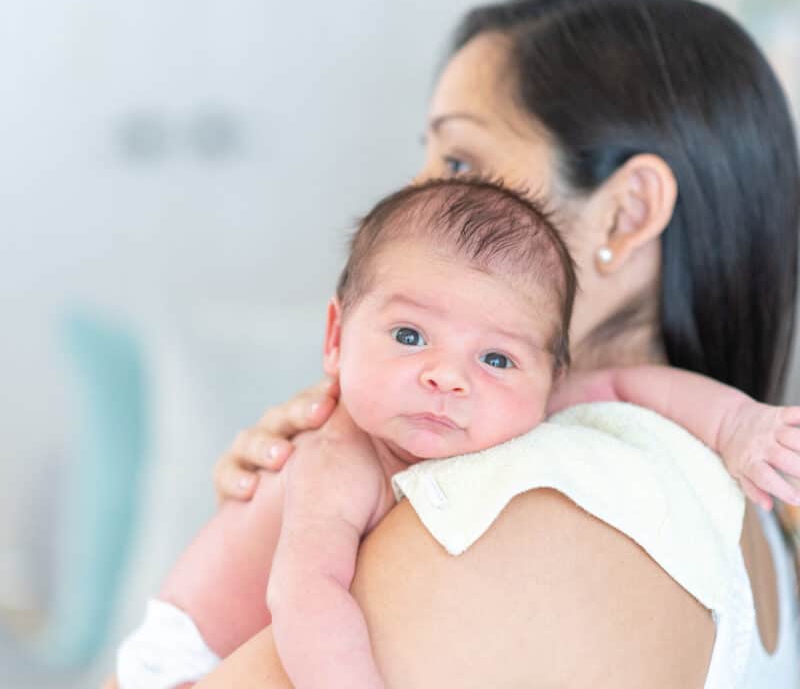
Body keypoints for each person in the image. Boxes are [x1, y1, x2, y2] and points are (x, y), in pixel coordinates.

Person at [193, 0, 800, 689]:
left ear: (625, 214)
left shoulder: (513, 512)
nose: (415, 199)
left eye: (458, 163)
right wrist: (253, 542)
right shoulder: (741, 524)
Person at [115, 169, 800, 688]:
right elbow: (304, 593)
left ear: (549, 378)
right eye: (410, 335)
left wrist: (741, 425)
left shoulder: (524, 422)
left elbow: (625, 386)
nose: (448, 377)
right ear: (335, 337)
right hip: (179, 660)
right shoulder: (338, 455)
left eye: (496, 357)